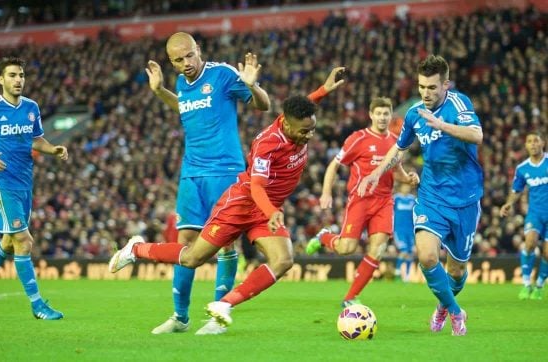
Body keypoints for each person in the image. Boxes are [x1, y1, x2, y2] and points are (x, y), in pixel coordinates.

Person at [109, 67, 346, 331]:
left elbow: (304, 106)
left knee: (283, 261)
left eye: (311, 130)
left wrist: (324, 90)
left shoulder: (292, 122)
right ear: (287, 125)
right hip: (241, 204)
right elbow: (256, 187)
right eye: (304, 131)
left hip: (264, 213)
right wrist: (271, 211)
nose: (308, 136)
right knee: (192, 258)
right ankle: (136, 249)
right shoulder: (269, 144)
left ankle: (224, 305)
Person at [143, 32, 271, 335]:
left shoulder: (223, 74)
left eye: (189, 55)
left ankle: (218, 316)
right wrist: (160, 90)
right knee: (184, 242)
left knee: (226, 242)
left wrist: (253, 84)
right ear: (172, 63)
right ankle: (180, 317)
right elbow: (185, 108)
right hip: (191, 172)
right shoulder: (179, 84)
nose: (186, 63)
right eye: (178, 60)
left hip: (225, 170)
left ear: (198, 50)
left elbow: (263, 106)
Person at [358, 55, 483, 336]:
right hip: (431, 196)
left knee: (456, 271)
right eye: (422, 87)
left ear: (445, 85)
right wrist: (377, 172)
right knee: (426, 256)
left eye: (432, 87)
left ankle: (443, 305)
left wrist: (442, 126)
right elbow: (400, 149)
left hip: (465, 198)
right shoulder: (415, 113)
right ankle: (455, 312)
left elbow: (477, 135)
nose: (426, 93)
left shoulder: (459, 105)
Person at [0, 56, 68, 320]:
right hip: (2, 184)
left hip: (24, 184)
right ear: (0, 79)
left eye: (21, 75)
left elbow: (35, 139)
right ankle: (37, 304)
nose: (18, 80)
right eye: (12, 75)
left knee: (8, 243)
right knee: (24, 240)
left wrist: (53, 149)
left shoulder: (31, 107)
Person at [305, 97, 419, 306]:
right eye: (379, 113)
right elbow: (333, 165)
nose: (383, 118)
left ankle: (350, 297)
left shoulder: (396, 141)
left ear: (391, 115)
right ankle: (325, 237)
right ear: (371, 115)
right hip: (361, 200)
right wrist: (326, 193)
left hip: (384, 202)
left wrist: (409, 178)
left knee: (378, 249)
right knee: (346, 247)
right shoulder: (358, 139)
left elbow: (398, 173)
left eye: (386, 114)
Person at [500, 132, 548, 300]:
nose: (533, 144)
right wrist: (509, 204)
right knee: (530, 243)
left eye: (536, 140)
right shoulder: (522, 168)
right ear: (526, 146)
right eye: (529, 141)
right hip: (535, 213)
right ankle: (527, 284)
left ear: (543, 143)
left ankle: (539, 285)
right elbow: (516, 190)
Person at [393, 182, 417, 282]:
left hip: (410, 230)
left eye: (408, 187)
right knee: (404, 251)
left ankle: (406, 276)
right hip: (399, 230)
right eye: (404, 186)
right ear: (401, 187)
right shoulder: (396, 198)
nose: (406, 188)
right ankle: (397, 272)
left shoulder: (413, 199)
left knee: (410, 252)